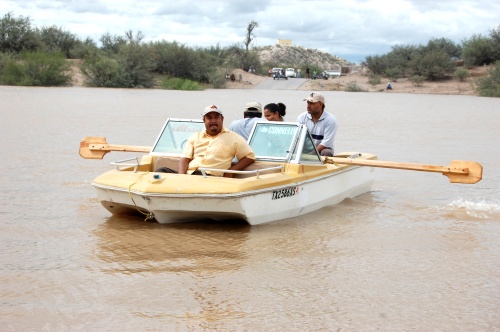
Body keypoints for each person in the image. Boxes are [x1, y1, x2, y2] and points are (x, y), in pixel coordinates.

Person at [157, 105, 255, 177]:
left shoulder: (234, 138)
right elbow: (185, 158)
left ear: (222, 119)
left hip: (211, 177)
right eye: (209, 118)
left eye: (216, 117)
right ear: (204, 120)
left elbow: (249, 156)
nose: (213, 121)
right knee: (161, 171)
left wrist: (231, 171)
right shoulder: (195, 137)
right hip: (190, 175)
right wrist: (181, 177)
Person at [296, 92, 338, 157]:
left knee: (327, 152)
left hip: (322, 149)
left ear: (320, 104)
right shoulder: (302, 117)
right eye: (308, 103)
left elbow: (325, 143)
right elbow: (298, 138)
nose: (308, 106)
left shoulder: (330, 120)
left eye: (312, 103)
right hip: (306, 149)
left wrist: (310, 155)